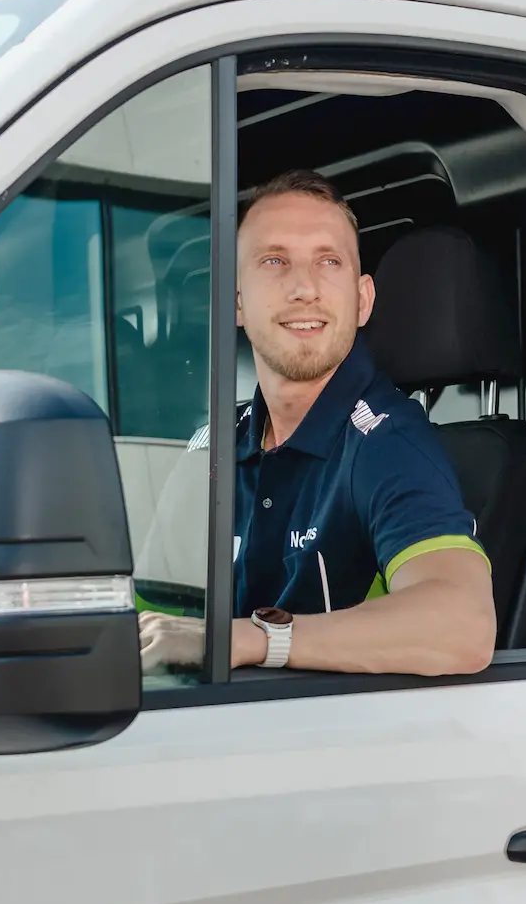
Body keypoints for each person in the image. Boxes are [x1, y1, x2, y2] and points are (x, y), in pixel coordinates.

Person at [138, 170, 496, 677]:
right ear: (236, 300)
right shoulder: (209, 451)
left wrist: (250, 640)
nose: (304, 287)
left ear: (364, 299)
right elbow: (149, 626)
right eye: (274, 261)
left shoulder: (387, 441)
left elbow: (464, 627)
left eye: (329, 261)